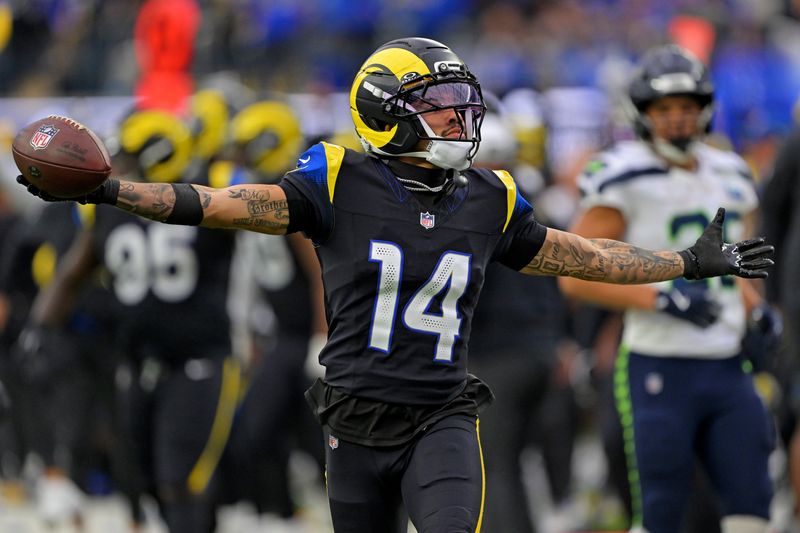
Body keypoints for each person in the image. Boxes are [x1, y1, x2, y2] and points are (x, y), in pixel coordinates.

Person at [17, 37, 775, 533]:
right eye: (438, 107)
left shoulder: (490, 195)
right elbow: (217, 205)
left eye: (458, 104)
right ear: (388, 115)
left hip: (442, 413)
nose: (457, 118)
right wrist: (114, 193)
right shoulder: (336, 178)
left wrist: (684, 262)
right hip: (351, 417)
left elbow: (580, 256)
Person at [558, 44, 776, 533]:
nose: (677, 119)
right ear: (642, 114)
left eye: (686, 107)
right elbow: (573, 275)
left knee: (753, 501)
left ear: (705, 110)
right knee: (662, 509)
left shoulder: (733, 173)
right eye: (664, 109)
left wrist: (757, 309)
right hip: (658, 361)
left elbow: (738, 265)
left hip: (726, 361)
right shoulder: (622, 173)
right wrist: (660, 296)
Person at [19, 106, 244, 533]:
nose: (117, 167)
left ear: (159, 154)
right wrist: (40, 327)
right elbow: (71, 272)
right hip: (138, 364)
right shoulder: (108, 210)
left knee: (181, 480)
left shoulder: (207, 197)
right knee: (146, 480)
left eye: (127, 156)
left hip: (199, 361)